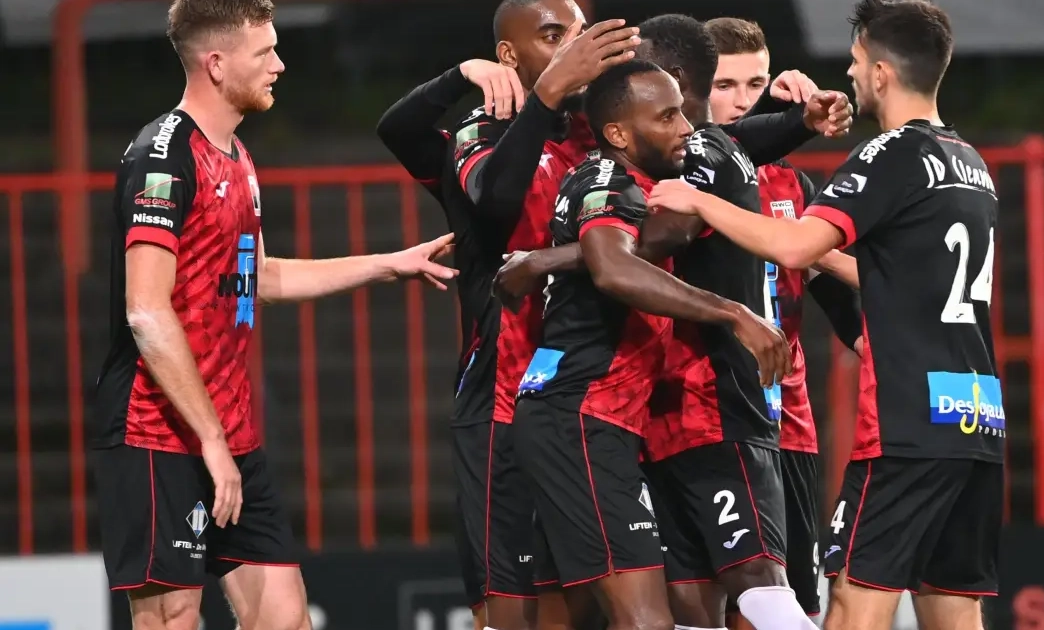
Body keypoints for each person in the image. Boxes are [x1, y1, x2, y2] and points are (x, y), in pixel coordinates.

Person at [89, 2, 457, 629]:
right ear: (216, 64)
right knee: (172, 617)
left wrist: (388, 264)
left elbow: (258, 276)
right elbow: (146, 310)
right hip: (156, 430)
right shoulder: (162, 155)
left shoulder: (236, 154)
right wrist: (209, 440)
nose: (280, 65)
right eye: (265, 53)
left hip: (229, 432)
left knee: (285, 618)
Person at [650, 3, 1004, 630]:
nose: (850, 73)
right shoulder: (970, 163)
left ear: (883, 73)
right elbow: (895, 274)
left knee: (850, 605)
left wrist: (700, 200)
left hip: (904, 423)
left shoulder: (891, 152)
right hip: (973, 412)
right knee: (952, 606)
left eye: (857, 61)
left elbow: (793, 247)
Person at [376, 5, 640, 630]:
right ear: (509, 56)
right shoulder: (482, 130)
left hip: (592, 403)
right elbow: (493, 199)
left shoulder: (602, 134)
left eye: (578, 34)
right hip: (503, 400)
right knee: (512, 612)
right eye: (553, 36)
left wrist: (788, 112)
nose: (572, 47)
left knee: (595, 607)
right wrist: (472, 79)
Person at [511, 58, 792, 630]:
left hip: (599, 420)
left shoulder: (638, 185)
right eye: (666, 117)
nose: (685, 127)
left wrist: (542, 260)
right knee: (646, 621)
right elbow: (613, 268)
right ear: (618, 133)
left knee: (580, 616)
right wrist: (733, 312)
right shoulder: (605, 180)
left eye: (682, 112)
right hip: (581, 414)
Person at [703, 16, 865, 627]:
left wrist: (873, 342)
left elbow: (828, 288)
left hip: (786, 421)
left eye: (756, 83)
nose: (742, 100)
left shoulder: (792, 183)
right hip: (705, 417)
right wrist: (782, 116)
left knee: (792, 599)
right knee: (702, 601)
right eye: (725, 85)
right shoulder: (674, 174)